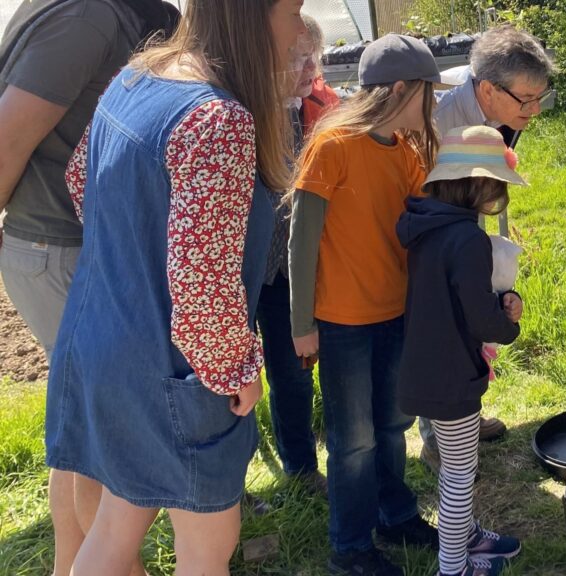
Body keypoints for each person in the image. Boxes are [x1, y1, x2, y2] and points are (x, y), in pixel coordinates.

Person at [47, 1, 304, 574]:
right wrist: (238, 371)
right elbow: (204, 286)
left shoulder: (136, 77)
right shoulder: (219, 119)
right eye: (294, 12)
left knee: (114, 531)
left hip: (102, 342)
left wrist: (136, 257)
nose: (301, 32)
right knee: (208, 550)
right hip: (176, 375)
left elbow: (79, 180)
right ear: (254, 14)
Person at [0, 1, 177, 574]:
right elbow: (7, 137)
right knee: (108, 435)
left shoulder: (125, 13)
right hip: (59, 247)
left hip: (76, 245)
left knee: (81, 426)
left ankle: (77, 563)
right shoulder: (88, 16)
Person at [288, 33, 441, 576]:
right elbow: (302, 241)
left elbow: (426, 225)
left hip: (395, 315)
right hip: (342, 322)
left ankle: (394, 514)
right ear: (400, 89)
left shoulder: (407, 152)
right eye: (428, 93)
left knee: (392, 425)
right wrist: (301, 324)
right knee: (351, 441)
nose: (434, 104)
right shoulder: (333, 147)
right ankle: (349, 548)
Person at [418, 23, 554, 471]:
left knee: (470, 318)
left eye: (541, 97)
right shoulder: (439, 124)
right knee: (444, 326)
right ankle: (437, 435)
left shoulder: (504, 110)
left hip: (465, 224)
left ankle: (465, 417)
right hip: (435, 236)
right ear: (488, 89)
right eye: (526, 99)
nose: (534, 110)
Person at [397, 125, 526, 576]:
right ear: (478, 184)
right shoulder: (469, 240)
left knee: (455, 465)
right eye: (496, 188)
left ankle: (467, 535)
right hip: (451, 374)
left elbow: (452, 297)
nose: (497, 198)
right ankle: (453, 567)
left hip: (422, 364)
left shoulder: (426, 228)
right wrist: (507, 321)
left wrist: (494, 305)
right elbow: (478, 316)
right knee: (458, 475)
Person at [256, 12, 338, 497]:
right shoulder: (245, 112)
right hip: (264, 274)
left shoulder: (325, 109)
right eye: (297, 57)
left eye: (314, 56)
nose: (309, 67)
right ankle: (302, 468)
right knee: (286, 370)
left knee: (324, 360)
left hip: (316, 263)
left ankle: (341, 445)